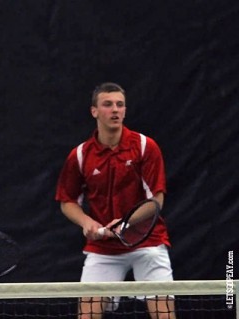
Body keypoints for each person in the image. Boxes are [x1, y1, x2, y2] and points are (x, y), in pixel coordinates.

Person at [55, 82, 176, 319]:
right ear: (94, 111)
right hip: (103, 248)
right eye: (108, 105)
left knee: (164, 313)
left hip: (148, 243)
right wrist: (87, 223)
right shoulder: (80, 155)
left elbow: (156, 201)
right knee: (87, 314)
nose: (115, 110)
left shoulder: (144, 147)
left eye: (120, 105)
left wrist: (125, 224)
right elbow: (67, 201)